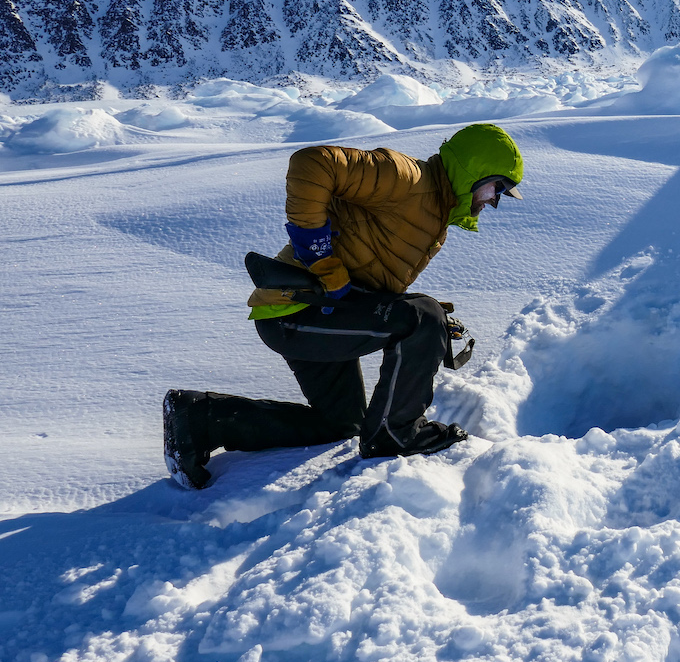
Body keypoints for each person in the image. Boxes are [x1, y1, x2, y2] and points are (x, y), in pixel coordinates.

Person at [162, 122, 524, 490]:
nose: (496, 200)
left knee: (341, 423)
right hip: (295, 310)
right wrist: (318, 253)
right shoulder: (408, 178)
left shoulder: (435, 208)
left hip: (322, 313)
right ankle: (395, 435)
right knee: (423, 316)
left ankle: (199, 418)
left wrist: (420, 316)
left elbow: (369, 272)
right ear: (474, 170)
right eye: (499, 187)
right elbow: (312, 163)